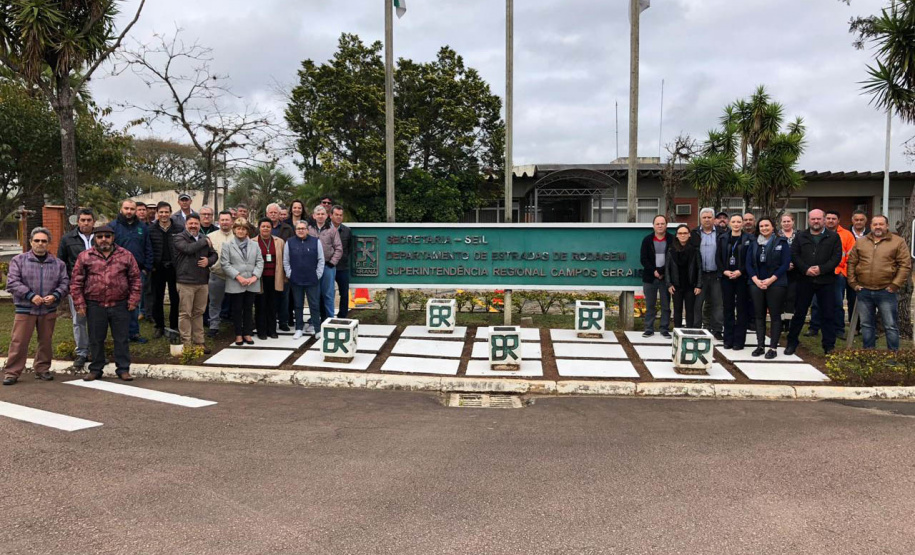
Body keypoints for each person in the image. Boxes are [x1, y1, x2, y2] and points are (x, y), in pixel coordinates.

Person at [70, 224, 142, 381]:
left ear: (113, 237)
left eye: (107, 236)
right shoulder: (85, 256)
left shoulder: (126, 255)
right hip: (95, 305)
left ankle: (123, 369)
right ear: (95, 238)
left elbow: (135, 278)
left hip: (120, 304)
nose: (104, 239)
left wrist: (133, 299)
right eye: (100, 236)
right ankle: (96, 369)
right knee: (96, 339)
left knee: (121, 338)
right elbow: (76, 282)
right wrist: (79, 304)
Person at [3, 228, 69, 385]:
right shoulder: (19, 260)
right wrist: (31, 296)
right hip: (25, 309)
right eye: (37, 240)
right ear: (31, 242)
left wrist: (55, 295)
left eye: (44, 241)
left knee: (45, 341)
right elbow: (12, 282)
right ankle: (12, 372)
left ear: (49, 244)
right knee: (19, 342)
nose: (40, 243)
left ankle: (42, 369)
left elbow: (65, 283)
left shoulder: (58, 264)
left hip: (48, 309)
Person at [847, 214, 912, 351]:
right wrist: (853, 283)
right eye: (875, 224)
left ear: (887, 226)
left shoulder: (898, 242)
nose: (878, 227)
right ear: (870, 226)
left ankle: (892, 355)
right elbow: (852, 263)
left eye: (881, 224)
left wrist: (895, 285)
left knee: (890, 325)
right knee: (866, 325)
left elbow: (905, 265)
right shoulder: (861, 242)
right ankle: (869, 354)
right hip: (864, 290)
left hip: (886, 291)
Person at [785, 209, 843, 356]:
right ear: (808, 220)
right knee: (799, 313)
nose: (816, 221)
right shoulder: (800, 236)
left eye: (818, 219)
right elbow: (794, 254)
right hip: (804, 280)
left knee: (828, 313)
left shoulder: (833, 237)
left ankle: (828, 345)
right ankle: (792, 343)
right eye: (813, 219)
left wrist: (821, 269)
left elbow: (836, 258)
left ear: (823, 220)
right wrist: (805, 269)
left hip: (826, 281)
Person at [746, 217, 791, 359]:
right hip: (756, 283)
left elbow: (785, 264)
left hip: (776, 284)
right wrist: (756, 280)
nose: (764, 228)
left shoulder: (781, 242)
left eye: (767, 225)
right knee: (759, 315)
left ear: (773, 227)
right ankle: (760, 345)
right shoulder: (753, 243)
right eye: (761, 226)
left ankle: (772, 347)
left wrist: (770, 280)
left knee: (775, 315)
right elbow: (748, 264)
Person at [172, 214, 218, 353]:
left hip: (202, 281)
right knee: (185, 313)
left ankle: (199, 342)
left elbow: (214, 254)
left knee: (199, 312)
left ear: (199, 225)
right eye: (190, 223)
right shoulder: (179, 237)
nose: (193, 226)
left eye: (196, 224)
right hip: (186, 281)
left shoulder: (204, 238)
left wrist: (208, 261)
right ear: (186, 224)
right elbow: (188, 249)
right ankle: (186, 343)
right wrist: (205, 241)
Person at [109, 199, 152, 343]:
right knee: (119, 304)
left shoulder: (142, 227)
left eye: (132, 209)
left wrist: (146, 268)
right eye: (126, 208)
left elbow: (148, 248)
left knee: (134, 303)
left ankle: (134, 333)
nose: (129, 211)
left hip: (138, 272)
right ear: (121, 209)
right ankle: (120, 335)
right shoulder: (112, 227)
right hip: (117, 272)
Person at [57, 208, 95, 369]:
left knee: (96, 320)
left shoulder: (101, 237)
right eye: (83, 220)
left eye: (89, 220)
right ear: (77, 221)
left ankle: (96, 351)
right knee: (78, 320)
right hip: (77, 286)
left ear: (94, 221)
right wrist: (68, 284)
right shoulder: (67, 239)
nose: (86, 223)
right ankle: (81, 352)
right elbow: (61, 263)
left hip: (97, 286)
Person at [221, 218, 263, 345]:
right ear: (234, 230)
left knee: (249, 308)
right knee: (237, 309)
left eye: (243, 229)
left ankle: (247, 333)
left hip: (251, 282)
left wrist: (255, 277)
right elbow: (225, 264)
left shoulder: (255, 245)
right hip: (236, 282)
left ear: (247, 231)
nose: (241, 231)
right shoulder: (227, 245)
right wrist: (238, 277)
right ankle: (238, 334)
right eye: (238, 228)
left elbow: (260, 262)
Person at [717, 214, 753, 350]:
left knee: (742, 309)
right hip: (726, 278)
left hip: (742, 278)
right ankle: (728, 339)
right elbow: (718, 258)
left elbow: (750, 259)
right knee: (728, 308)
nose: (736, 224)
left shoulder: (749, 239)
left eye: (739, 222)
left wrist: (741, 271)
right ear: (729, 223)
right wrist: (724, 271)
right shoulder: (723, 238)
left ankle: (739, 341)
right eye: (734, 222)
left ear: (742, 223)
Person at [285, 220, 325, 338]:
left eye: (303, 228)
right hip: (296, 279)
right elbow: (285, 260)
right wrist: (289, 274)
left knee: (314, 304)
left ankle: (317, 330)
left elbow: (321, 260)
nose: (301, 230)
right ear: (295, 230)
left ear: (307, 230)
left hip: (312, 279)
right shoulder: (289, 242)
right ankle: (298, 328)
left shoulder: (316, 241)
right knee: (298, 304)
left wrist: (317, 274)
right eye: (298, 229)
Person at [149, 201, 182, 339]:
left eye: (166, 212)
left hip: (174, 267)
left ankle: (174, 325)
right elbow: (148, 248)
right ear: (157, 213)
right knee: (157, 298)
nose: (164, 214)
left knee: (175, 298)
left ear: (170, 212)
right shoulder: (151, 229)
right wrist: (151, 265)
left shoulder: (178, 228)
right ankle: (159, 326)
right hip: (158, 267)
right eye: (161, 212)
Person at [690, 208, 724, 339]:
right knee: (697, 304)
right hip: (700, 275)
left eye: (709, 217)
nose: (707, 219)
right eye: (704, 217)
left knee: (717, 304)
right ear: (700, 219)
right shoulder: (694, 233)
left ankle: (717, 329)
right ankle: (697, 328)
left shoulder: (721, 233)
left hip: (716, 274)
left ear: (714, 219)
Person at [823, 210, 856, 340]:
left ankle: (839, 329)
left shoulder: (847, 235)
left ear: (838, 221)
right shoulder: (818, 233)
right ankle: (814, 328)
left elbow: (851, 257)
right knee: (816, 303)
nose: (830, 221)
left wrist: (842, 272)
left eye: (833, 218)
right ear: (824, 220)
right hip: (821, 273)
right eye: (828, 218)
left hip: (838, 274)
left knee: (837, 303)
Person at [308, 204, 343, 323]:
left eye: (322, 214)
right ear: (314, 216)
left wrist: (332, 263)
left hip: (328, 266)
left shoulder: (332, 230)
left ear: (326, 216)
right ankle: (314, 321)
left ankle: (330, 319)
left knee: (328, 294)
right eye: (318, 214)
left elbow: (338, 248)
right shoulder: (309, 229)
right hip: (312, 267)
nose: (320, 216)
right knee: (314, 295)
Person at [640, 215, 673, 338]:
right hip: (650, 277)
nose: (660, 226)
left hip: (666, 278)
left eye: (662, 223)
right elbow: (643, 259)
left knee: (666, 305)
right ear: (653, 225)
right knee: (650, 305)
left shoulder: (671, 240)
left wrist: (662, 271)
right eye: (657, 224)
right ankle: (649, 328)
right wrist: (654, 270)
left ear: (666, 225)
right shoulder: (647, 240)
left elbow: (672, 259)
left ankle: (664, 329)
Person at [253, 218, 286, 340]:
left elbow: (283, 259)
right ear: (259, 228)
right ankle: (261, 331)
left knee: (272, 305)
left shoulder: (279, 241)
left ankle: (272, 330)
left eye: (268, 226)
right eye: (263, 226)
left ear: (271, 228)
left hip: (274, 277)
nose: (265, 228)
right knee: (260, 304)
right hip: (259, 278)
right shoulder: (253, 242)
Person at [665, 224, 701, 329]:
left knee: (690, 310)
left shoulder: (695, 250)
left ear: (689, 235)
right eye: (680, 233)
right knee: (677, 310)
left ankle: (689, 330)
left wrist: (699, 285)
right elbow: (667, 268)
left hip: (691, 285)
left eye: (685, 233)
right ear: (676, 235)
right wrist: (669, 284)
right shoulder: (671, 251)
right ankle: (677, 331)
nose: (683, 235)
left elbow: (699, 268)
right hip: (676, 285)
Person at [207, 210, 234, 337]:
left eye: (227, 220)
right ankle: (214, 326)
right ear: (218, 221)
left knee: (237, 302)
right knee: (214, 303)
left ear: (231, 221)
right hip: (217, 275)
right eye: (222, 220)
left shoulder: (239, 235)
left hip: (234, 277)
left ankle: (238, 325)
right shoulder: (211, 236)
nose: (224, 222)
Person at [330, 205, 353, 319]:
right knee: (327, 293)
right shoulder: (324, 229)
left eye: (341, 215)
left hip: (342, 267)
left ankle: (342, 316)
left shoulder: (347, 231)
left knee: (344, 294)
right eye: (336, 215)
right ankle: (326, 315)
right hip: (328, 266)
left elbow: (349, 248)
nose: (339, 217)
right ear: (331, 215)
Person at [779, 213, 799, 333]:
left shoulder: (799, 235)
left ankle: (789, 323)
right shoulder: (776, 235)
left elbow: (801, 252)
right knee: (781, 298)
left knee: (792, 297)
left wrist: (794, 264)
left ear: (793, 222)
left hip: (795, 271)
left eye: (788, 221)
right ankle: (780, 322)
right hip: (780, 272)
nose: (786, 223)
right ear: (781, 223)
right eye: (784, 221)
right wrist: (784, 265)